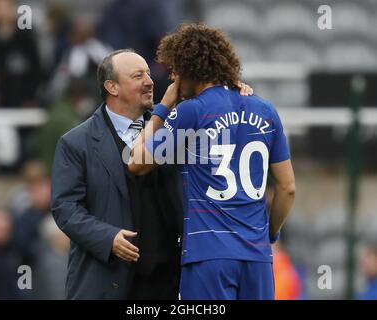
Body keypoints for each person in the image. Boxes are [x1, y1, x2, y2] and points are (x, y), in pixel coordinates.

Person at [51, 48, 253, 299]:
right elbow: (65, 208)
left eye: (148, 73)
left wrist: (236, 94)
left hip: (169, 281)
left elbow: (223, 119)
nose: (149, 81)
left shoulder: (174, 122)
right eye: (138, 76)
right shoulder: (76, 142)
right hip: (106, 280)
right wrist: (107, 237)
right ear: (112, 87)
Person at [128, 23, 296, 300]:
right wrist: (271, 232)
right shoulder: (266, 110)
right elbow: (288, 188)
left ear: (187, 69)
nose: (173, 79)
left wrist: (163, 107)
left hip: (209, 255)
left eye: (175, 71)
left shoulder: (191, 112)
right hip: (258, 257)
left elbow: (136, 161)